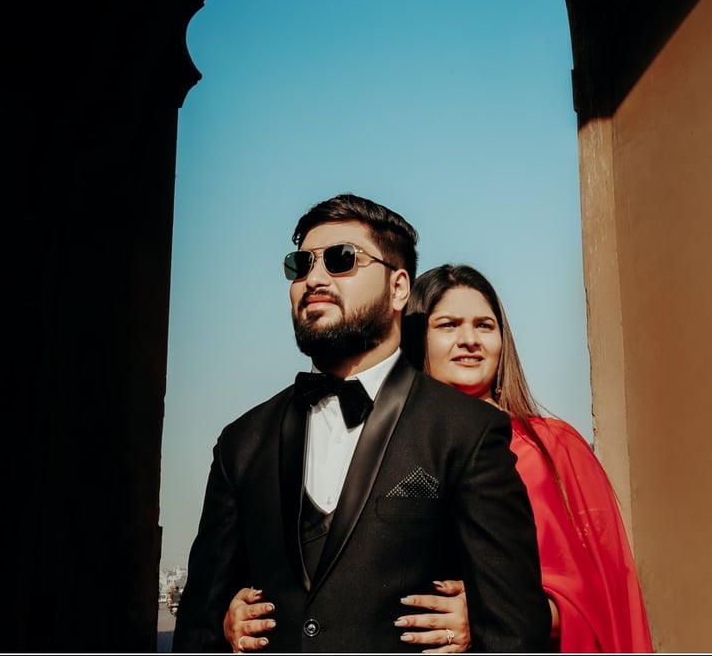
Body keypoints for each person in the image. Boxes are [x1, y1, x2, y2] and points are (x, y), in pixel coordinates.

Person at [172, 195, 551, 653]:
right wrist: (222, 625)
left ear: (398, 289)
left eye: (341, 260)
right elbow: (197, 629)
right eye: (300, 264)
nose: (313, 278)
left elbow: (515, 630)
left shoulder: (466, 433)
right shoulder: (242, 442)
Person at [226, 263, 654, 653]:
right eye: (448, 325)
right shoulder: (348, 440)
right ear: (417, 338)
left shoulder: (555, 447)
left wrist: (492, 614)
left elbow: (606, 598)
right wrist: (235, 613)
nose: (469, 340)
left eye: (484, 325)